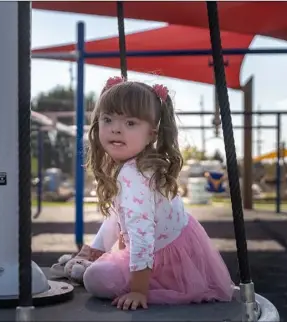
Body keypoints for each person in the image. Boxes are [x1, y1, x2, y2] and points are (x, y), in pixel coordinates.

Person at [80, 76, 234, 310]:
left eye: (130, 123)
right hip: (175, 247)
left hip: (162, 257)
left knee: (94, 279)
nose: (116, 129)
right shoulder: (138, 164)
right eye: (107, 119)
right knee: (98, 266)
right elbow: (117, 217)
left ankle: (152, 285)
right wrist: (96, 249)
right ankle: (101, 262)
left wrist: (138, 291)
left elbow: (142, 234)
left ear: (152, 134)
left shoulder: (134, 174)